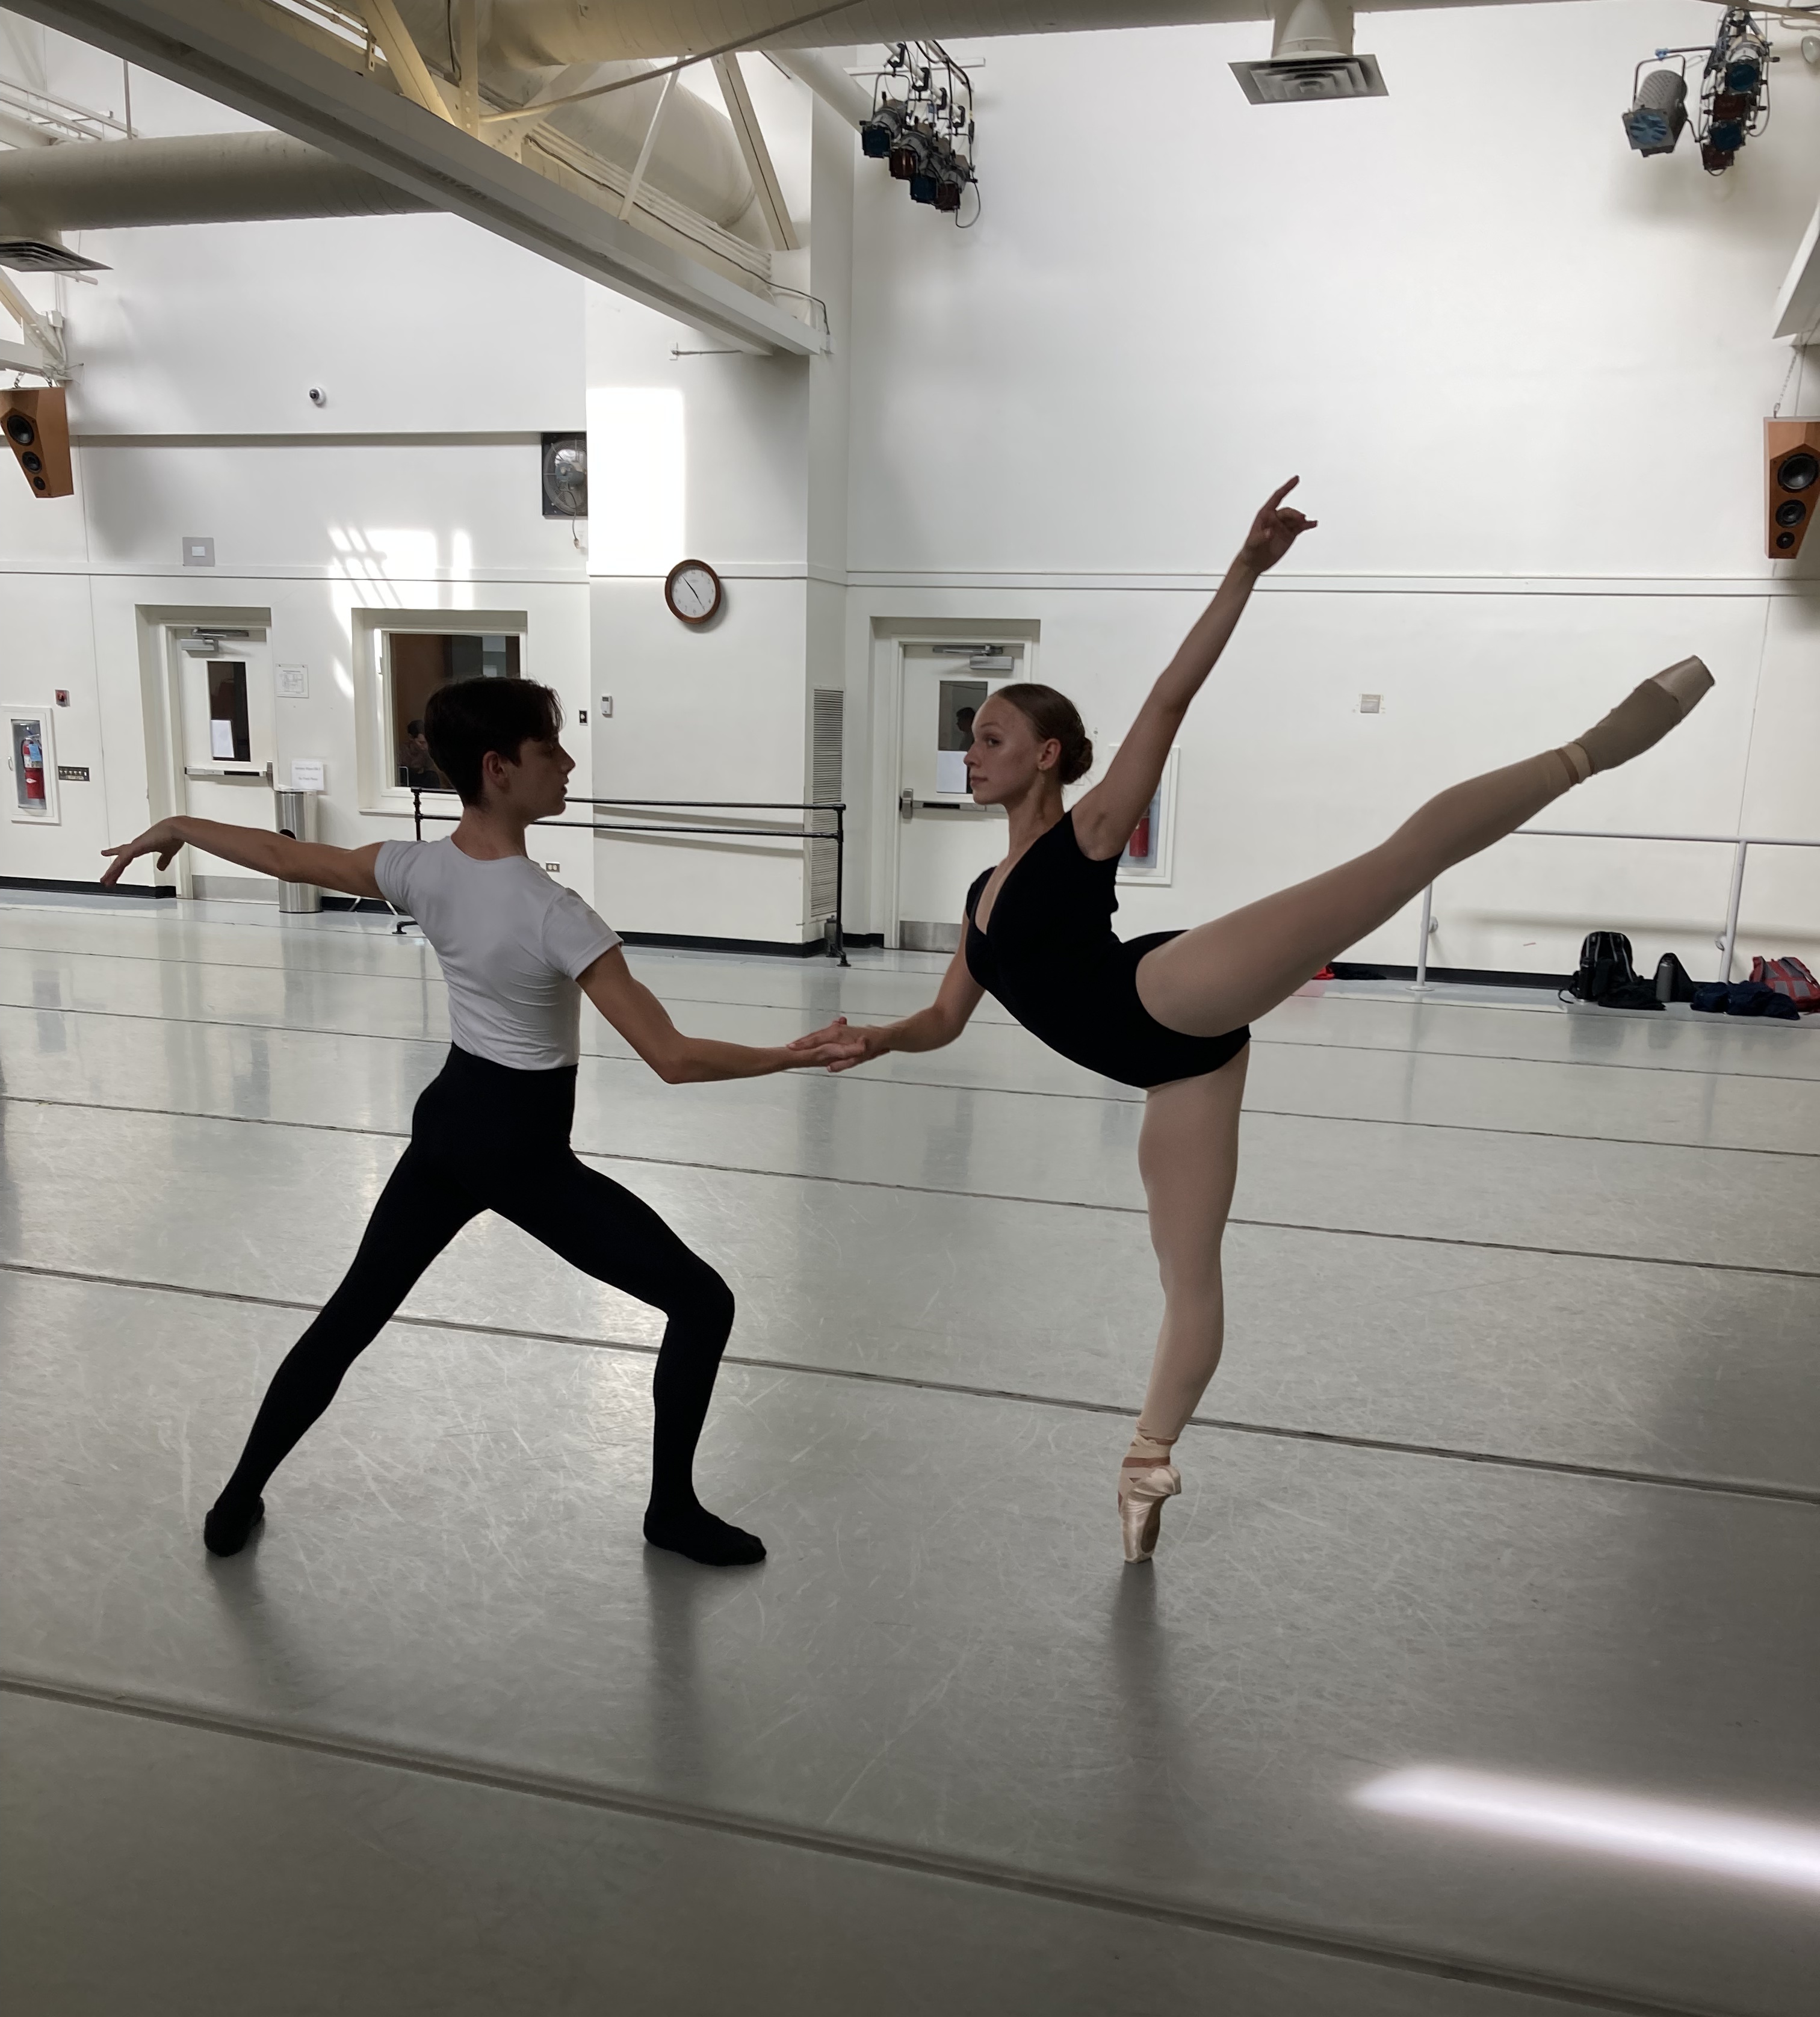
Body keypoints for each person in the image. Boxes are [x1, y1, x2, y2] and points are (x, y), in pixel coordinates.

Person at [805, 480, 1713, 1562]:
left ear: (1047, 755)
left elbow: (1168, 701)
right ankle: (1148, 1461)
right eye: (972, 737)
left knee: (1394, 863)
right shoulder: (977, 899)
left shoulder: (1085, 833)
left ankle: (1594, 747)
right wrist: (879, 1039)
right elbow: (947, 1018)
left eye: (993, 735)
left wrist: (1245, 569)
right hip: (1176, 1072)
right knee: (1188, 1276)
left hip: (1166, 993)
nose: (973, 749)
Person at [101, 676, 850, 1568]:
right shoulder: (555, 914)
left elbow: (286, 858)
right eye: (550, 748)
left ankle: (235, 1502)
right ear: (498, 768)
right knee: (703, 1302)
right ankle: (671, 1511)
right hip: (520, 1152)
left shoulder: (417, 868)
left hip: (451, 1124)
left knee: (350, 1316)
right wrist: (791, 1055)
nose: (568, 763)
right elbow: (673, 1058)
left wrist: (181, 826)